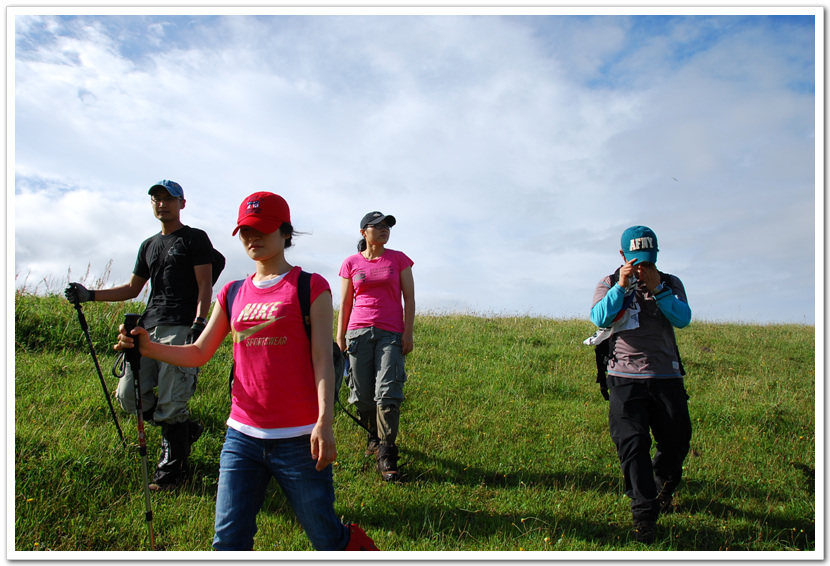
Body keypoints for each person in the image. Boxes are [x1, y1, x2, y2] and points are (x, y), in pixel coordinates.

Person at [115, 191, 378, 551]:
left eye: (261, 230)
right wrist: (148, 348)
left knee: (326, 537)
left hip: (300, 439)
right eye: (245, 231)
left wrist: (324, 422)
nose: (252, 238)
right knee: (228, 542)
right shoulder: (233, 292)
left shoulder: (310, 286)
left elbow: (322, 359)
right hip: (242, 438)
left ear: (285, 232)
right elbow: (198, 352)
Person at [65, 180, 214, 490]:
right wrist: (89, 295)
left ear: (181, 204)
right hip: (148, 326)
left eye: (169, 199)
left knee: (173, 400)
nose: (162, 204)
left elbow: (205, 284)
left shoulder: (194, 238)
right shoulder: (148, 245)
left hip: (180, 325)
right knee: (128, 395)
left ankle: (171, 474)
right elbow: (133, 289)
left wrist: (200, 322)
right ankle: (182, 432)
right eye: (156, 199)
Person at [589, 225, 693, 544]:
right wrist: (622, 286)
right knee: (632, 445)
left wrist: (658, 289)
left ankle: (663, 485)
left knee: (676, 442)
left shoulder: (671, 283)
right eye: (636, 261)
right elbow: (599, 318)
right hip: (624, 377)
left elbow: (682, 318)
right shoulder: (608, 282)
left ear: (656, 255)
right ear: (623, 256)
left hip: (666, 376)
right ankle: (644, 515)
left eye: (647, 260)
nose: (642, 267)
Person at [336, 211, 415, 482]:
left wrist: (408, 332)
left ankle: (387, 452)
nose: (384, 230)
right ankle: (373, 434)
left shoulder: (399, 259)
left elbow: (409, 298)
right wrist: (340, 335)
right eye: (377, 226)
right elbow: (346, 302)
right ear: (363, 233)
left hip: (391, 333)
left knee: (388, 391)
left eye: (387, 227)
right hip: (358, 332)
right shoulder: (351, 263)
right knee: (361, 394)